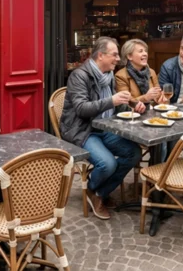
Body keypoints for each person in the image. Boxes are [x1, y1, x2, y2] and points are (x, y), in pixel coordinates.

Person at [60, 37, 144, 220]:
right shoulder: (79, 76)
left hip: (104, 128)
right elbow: (82, 109)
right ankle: (93, 190)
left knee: (134, 153)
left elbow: (113, 106)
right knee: (107, 164)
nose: (118, 59)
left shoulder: (108, 75)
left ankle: (99, 193)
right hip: (82, 130)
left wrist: (132, 106)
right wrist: (111, 101)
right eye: (114, 55)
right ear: (100, 56)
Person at [115, 39, 162, 106]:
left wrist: (160, 97)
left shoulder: (151, 72)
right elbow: (125, 102)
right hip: (132, 114)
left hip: (152, 112)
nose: (145, 54)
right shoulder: (120, 76)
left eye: (145, 51)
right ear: (129, 56)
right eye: (140, 51)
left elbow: (158, 94)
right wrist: (145, 98)